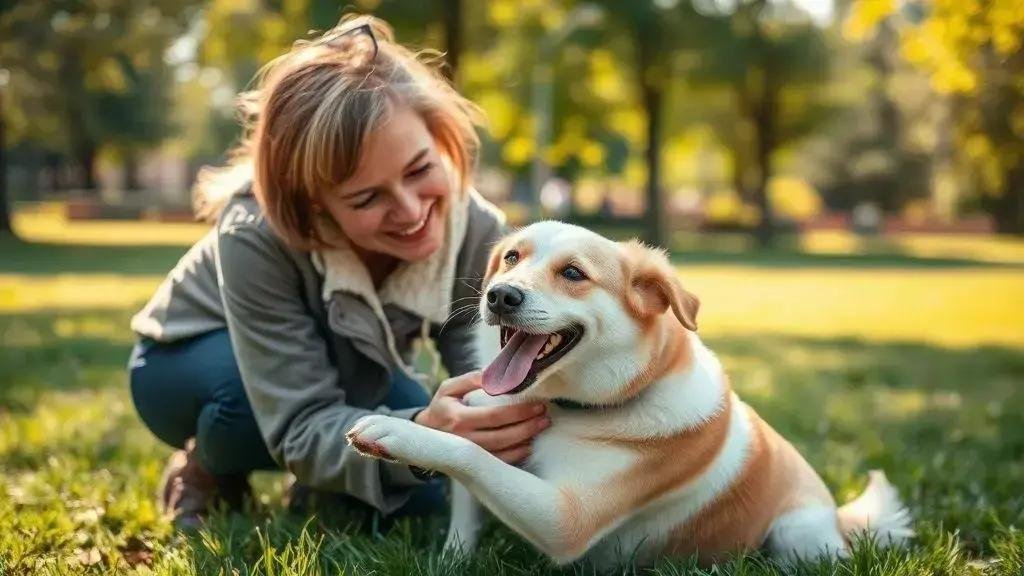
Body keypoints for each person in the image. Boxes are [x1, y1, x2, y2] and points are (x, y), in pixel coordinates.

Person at [128, 15, 549, 528]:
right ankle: (211, 465)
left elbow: (482, 364)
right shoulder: (253, 235)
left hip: (349, 369)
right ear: (314, 204)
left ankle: (319, 484)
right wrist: (419, 433)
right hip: (190, 363)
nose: (412, 210)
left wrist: (488, 425)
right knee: (244, 409)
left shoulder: (478, 228)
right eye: (367, 197)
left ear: (440, 138)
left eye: (419, 169)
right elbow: (298, 419)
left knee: (421, 496)